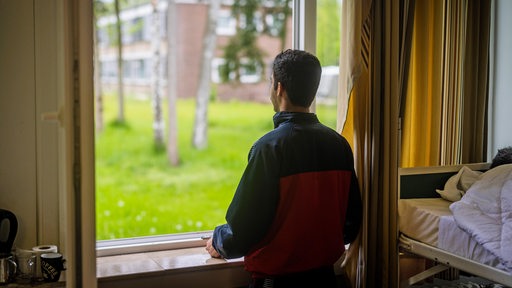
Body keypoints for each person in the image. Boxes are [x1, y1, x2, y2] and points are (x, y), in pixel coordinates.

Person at [205, 49, 362, 288]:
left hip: (276, 283)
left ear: (278, 88)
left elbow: (244, 228)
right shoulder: (340, 146)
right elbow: (350, 223)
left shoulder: (270, 148)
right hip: (326, 280)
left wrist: (219, 241)